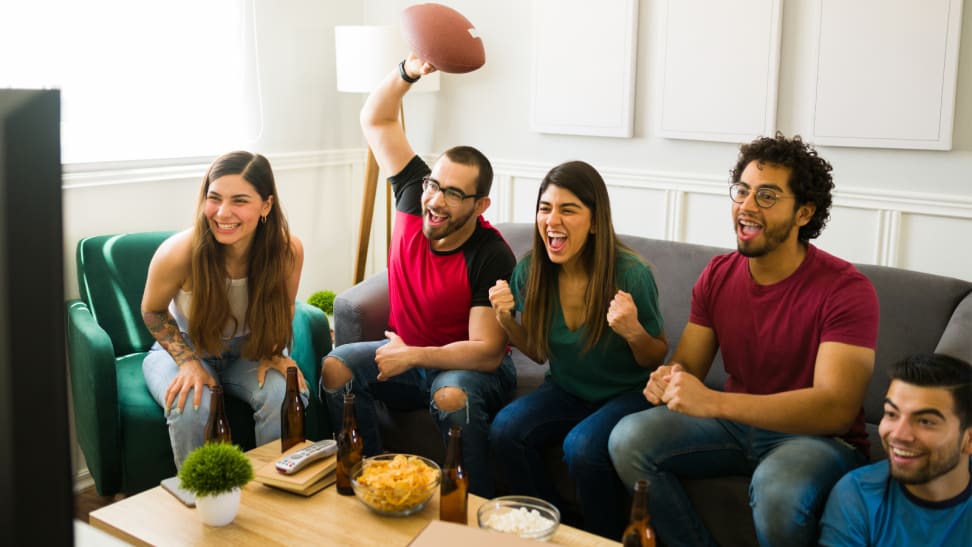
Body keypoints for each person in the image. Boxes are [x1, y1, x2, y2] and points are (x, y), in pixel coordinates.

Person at [608, 133, 880, 547]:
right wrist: (667, 380)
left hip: (817, 439)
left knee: (778, 489)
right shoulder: (718, 274)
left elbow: (835, 409)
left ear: (804, 212)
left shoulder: (846, 289)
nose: (747, 206)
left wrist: (714, 402)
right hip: (735, 426)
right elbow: (688, 367)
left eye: (768, 196)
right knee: (627, 438)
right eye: (742, 191)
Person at [320, 54, 516, 497]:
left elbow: (486, 352)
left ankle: (471, 510)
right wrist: (408, 71)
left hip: (467, 368)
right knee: (335, 368)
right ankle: (372, 484)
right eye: (434, 184)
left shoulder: (491, 254)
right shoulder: (412, 194)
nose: (436, 199)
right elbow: (376, 117)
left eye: (453, 192)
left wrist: (415, 355)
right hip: (406, 356)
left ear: (480, 205)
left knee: (452, 397)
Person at [487, 160, 668, 538]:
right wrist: (506, 321)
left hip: (628, 393)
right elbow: (537, 352)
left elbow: (655, 357)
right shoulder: (530, 271)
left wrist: (633, 330)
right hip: (567, 389)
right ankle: (554, 531)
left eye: (568, 209)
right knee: (505, 429)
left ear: (596, 221)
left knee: (582, 446)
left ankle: (602, 537)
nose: (553, 220)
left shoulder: (632, 274)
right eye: (545, 208)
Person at [141, 151, 308, 468]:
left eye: (240, 201)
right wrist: (188, 362)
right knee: (191, 404)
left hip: (251, 348)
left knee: (283, 394)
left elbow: (284, 305)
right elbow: (152, 311)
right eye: (214, 198)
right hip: (188, 345)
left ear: (266, 206)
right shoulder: (179, 252)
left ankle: (274, 494)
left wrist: (275, 350)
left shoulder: (288, 250)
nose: (222, 212)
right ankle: (202, 501)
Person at [819, 353, 972, 546]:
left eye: (925, 421)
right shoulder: (857, 496)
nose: (899, 435)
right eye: (891, 414)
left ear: (969, 439)